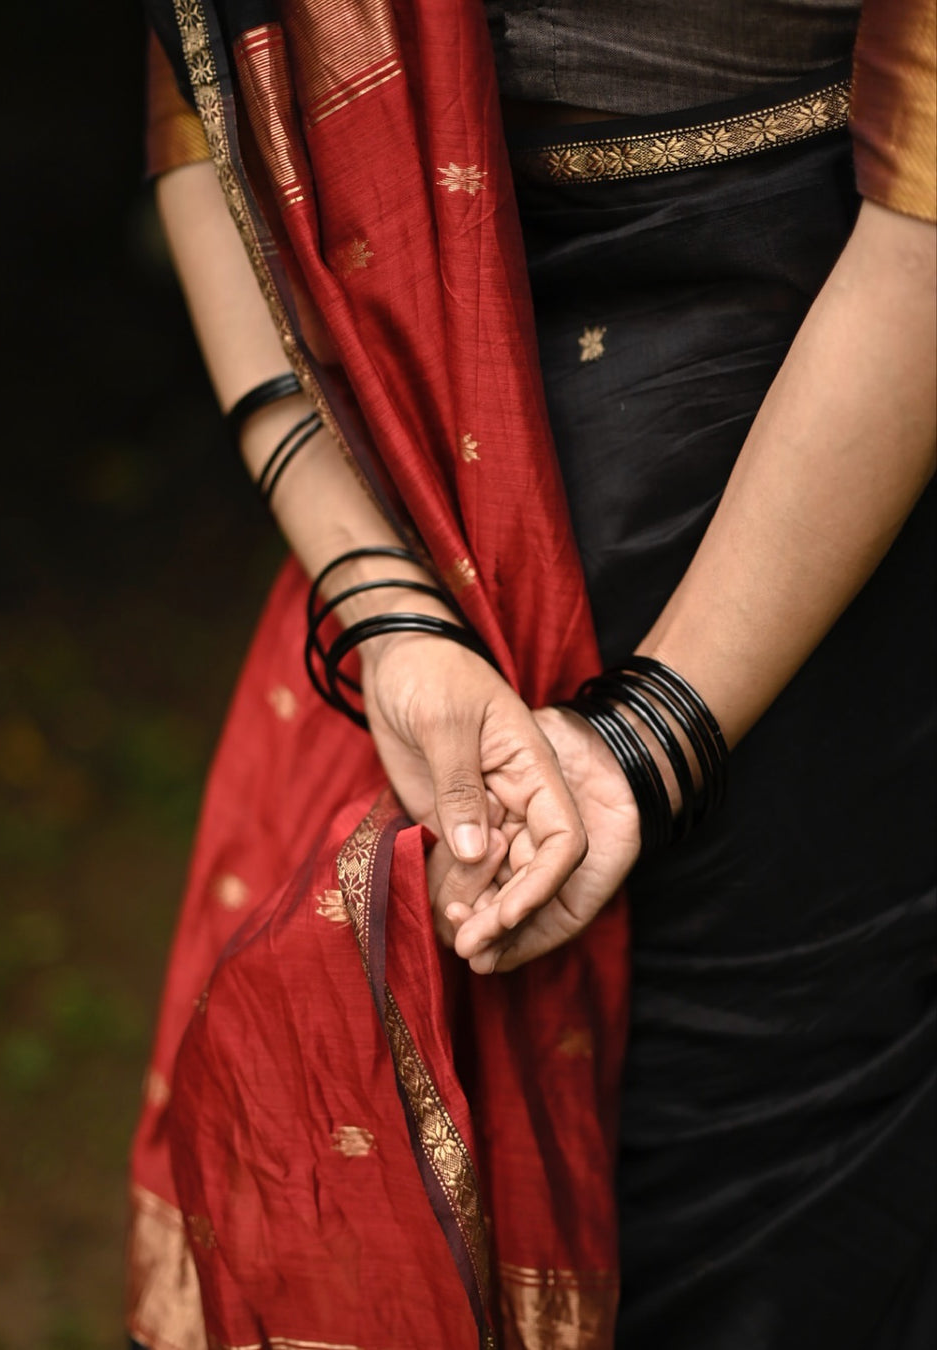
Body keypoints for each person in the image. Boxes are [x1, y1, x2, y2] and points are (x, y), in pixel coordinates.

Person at [128, 2, 936, 1347]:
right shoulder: (400, 625)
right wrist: (387, 610)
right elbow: (205, 101)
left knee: (779, 1232)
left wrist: (654, 730)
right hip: (414, 598)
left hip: (801, 619)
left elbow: (924, 230)